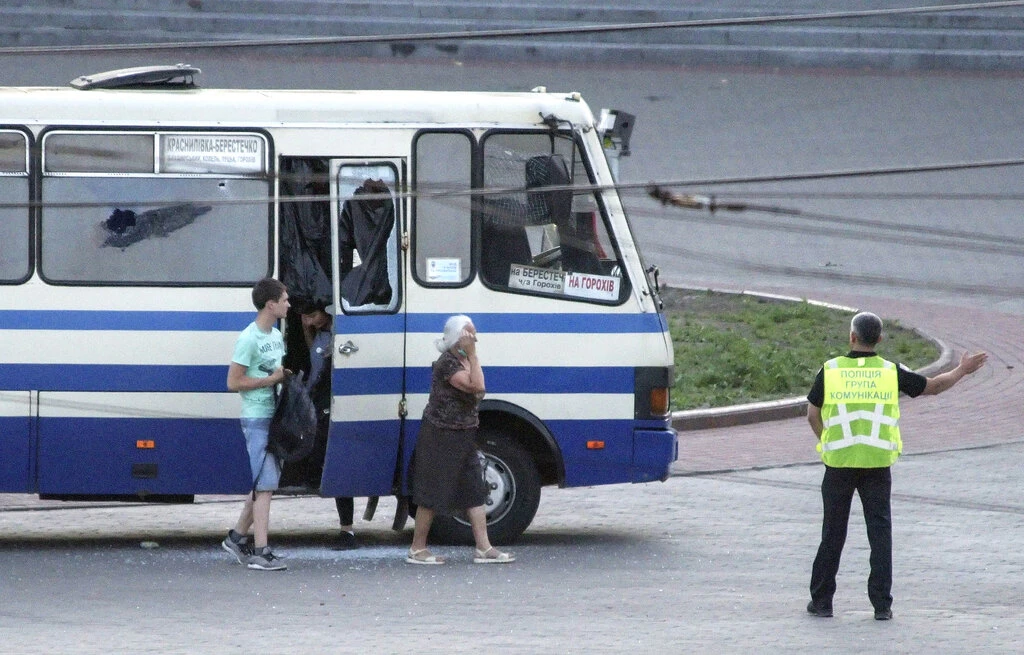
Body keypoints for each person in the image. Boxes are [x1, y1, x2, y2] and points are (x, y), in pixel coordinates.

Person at [805, 311, 987, 620]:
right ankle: (881, 605)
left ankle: (822, 602)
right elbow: (934, 386)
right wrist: (962, 370)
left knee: (832, 532)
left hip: (839, 463)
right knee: (880, 532)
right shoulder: (890, 371)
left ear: (851, 337)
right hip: (877, 463)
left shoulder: (831, 370)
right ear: (879, 339)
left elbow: (812, 414)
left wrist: (827, 444)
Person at [405, 315, 514, 565]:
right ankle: (417, 548)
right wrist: (474, 356)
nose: (474, 338)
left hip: (464, 433)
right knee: (432, 491)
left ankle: (484, 547)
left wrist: (472, 357)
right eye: (468, 334)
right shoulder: (447, 364)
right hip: (441, 434)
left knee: (474, 488)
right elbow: (477, 386)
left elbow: (480, 386)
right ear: (457, 339)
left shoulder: (465, 360)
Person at [221, 277, 291, 571]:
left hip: (273, 415)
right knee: (265, 487)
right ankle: (261, 551)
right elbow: (233, 382)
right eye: (284, 300)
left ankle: (236, 539)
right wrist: (270, 380)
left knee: (264, 482)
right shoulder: (248, 338)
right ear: (270, 304)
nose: (289, 305)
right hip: (256, 416)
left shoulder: (275, 335)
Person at [299, 303, 358, 549]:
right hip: (318, 401)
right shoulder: (321, 335)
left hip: (330, 403)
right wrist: (308, 329)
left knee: (335, 459)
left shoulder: (339, 335)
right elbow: (314, 359)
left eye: (313, 316)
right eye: (306, 318)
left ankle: (347, 529)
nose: (310, 321)